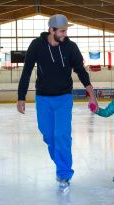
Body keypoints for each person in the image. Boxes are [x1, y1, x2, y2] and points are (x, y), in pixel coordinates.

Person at [17, 14, 98, 191]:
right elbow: (27, 72)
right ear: (51, 30)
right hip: (43, 98)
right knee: (48, 135)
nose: (65, 34)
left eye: (66, 30)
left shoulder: (70, 47)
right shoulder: (36, 46)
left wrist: (92, 94)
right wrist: (21, 97)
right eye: (62, 31)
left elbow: (81, 71)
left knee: (62, 135)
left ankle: (63, 173)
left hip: (63, 98)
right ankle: (62, 163)